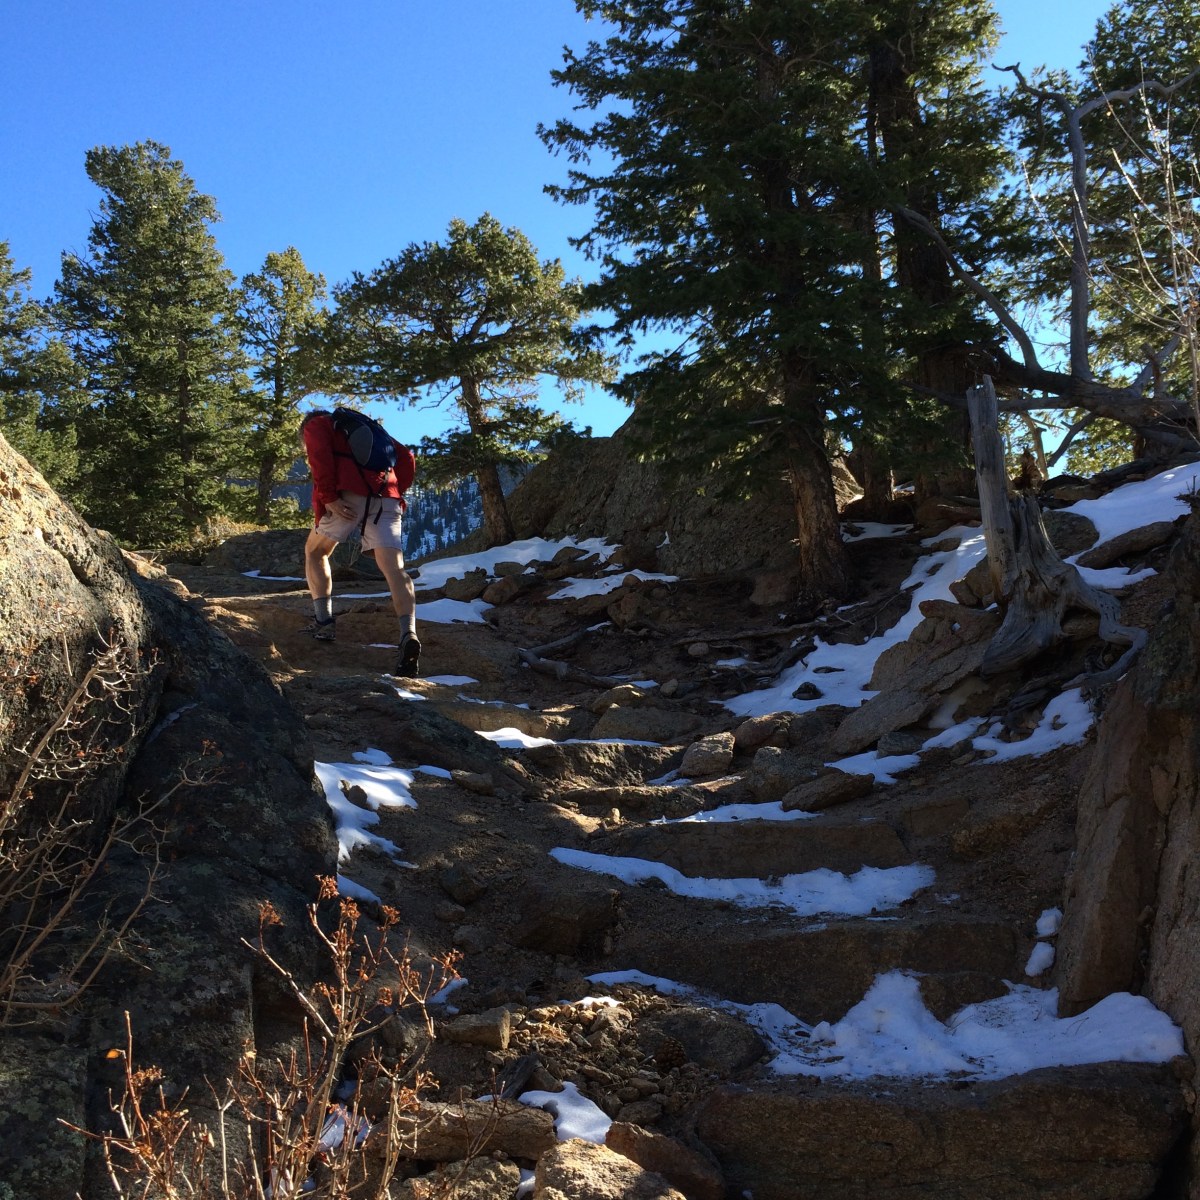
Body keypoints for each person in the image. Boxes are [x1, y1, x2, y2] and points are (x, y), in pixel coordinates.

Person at [299, 409, 421, 677]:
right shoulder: (364, 428)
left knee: (316, 552)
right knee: (395, 569)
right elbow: (406, 458)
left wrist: (329, 497)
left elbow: (320, 457)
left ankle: (323, 621)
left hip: (346, 497)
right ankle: (408, 634)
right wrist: (394, 491)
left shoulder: (317, 425)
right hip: (386, 497)